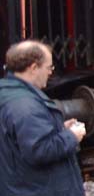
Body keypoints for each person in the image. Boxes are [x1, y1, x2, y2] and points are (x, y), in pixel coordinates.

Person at [0, 40, 86, 196]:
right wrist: (72, 136)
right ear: (33, 68)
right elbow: (40, 150)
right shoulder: (25, 105)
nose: (51, 72)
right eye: (49, 67)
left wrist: (58, 128)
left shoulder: (7, 94)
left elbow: (19, 140)